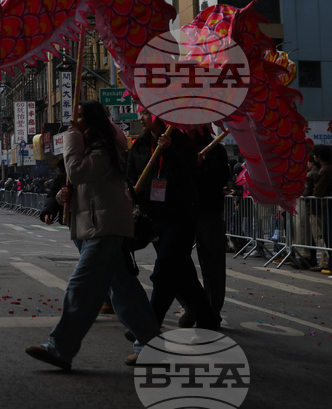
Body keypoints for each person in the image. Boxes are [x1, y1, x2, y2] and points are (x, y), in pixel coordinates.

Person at [26, 102, 161, 370]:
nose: (73, 121)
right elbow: (77, 181)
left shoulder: (104, 149)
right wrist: (60, 196)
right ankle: (152, 347)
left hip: (105, 229)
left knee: (81, 289)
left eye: (78, 117)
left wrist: (71, 136)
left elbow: (77, 171)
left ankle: (60, 348)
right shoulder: (93, 147)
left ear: (91, 121)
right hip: (94, 227)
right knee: (125, 295)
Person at [127, 109, 218, 330]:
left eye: (146, 113)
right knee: (183, 275)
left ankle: (148, 327)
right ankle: (208, 320)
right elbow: (130, 174)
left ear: (159, 116)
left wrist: (168, 152)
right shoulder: (139, 144)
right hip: (153, 217)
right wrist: (132, 191)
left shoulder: (181, 142)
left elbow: (187, 177)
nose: (141, 118)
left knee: (164, 271)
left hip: (179, 217)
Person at [177, 127, 231, 327]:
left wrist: (199, 167)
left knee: (212, 267)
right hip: (180, 213)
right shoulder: (174, 146)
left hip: (208, 213)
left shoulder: (215, 150)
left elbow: (219, 180)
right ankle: (192, 305)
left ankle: (210, 313)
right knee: (171, 263)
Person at [312, 146, 332, 275]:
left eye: (314, 155)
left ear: (319, 157)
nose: (313, 157)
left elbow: (317, 191)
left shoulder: (324, 170)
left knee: (328, 236)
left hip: (328, 207)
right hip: (327, 205)